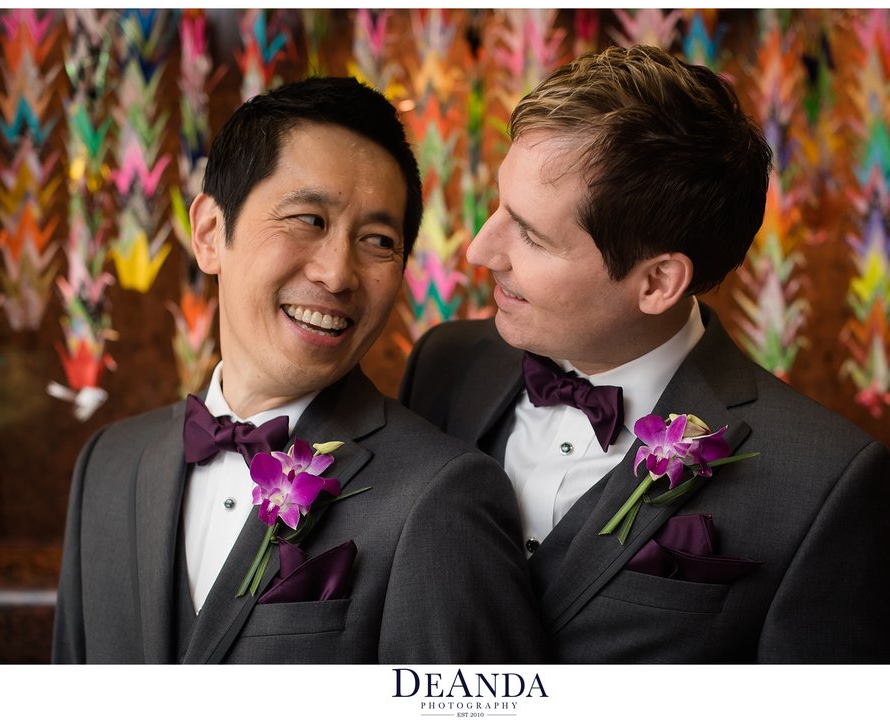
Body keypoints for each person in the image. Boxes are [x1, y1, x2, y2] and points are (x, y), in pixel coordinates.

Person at [401, 45, 890, 662]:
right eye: (500, 208)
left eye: (531, 235)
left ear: (657, 282)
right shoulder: (443, 365)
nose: (480, 251)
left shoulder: (825, 484)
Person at [53, 77, 548, 664]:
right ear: (211, 233)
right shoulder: (108, 464)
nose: (338, 274)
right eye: (309, 219)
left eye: (377, 240)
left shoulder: (442, 497)